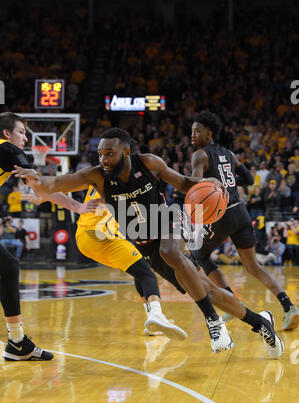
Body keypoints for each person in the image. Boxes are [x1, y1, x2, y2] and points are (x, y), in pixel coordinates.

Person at [13, 127, 284, 357]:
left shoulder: (149, 163)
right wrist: (38, 180)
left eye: (110, 153)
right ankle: (261, 322)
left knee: (170, 251)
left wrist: (211, 181)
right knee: (208, 291)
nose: (104, 159)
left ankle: (213, 321)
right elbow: (56, 182)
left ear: (126, 152)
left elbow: (185, 182)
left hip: (167, 219)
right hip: (144, 241)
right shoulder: (96, 176)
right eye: (101, 154)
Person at [22, 186, 187, 341]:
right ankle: (156, 315)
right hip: (101, 236)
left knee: (139, 269)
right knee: (146, 274)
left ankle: (152, 320)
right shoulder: (122, 181)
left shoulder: (94, 177)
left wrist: (41, 197)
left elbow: (61, 186)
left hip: (84, 238)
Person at [190, 110, 298, 331]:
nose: (192, 134)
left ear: (209, 132)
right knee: (253, 266)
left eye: (196, 130)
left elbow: (194, 183)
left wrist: (211, 184)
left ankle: (232, 302)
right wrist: (227, 182)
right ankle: (289, 307)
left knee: (198, 255)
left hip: (221, 215)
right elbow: (248, 179)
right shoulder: (229, 154)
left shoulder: (200, 155)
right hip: (241, 213)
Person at [0, 112, 53, 360]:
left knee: (9, 266)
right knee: (9, 266)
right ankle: (17, 341)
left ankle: (17, 341)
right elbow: (32, 175)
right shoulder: (7, 150)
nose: (26, 138)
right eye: (22, 132)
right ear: (6, 134)